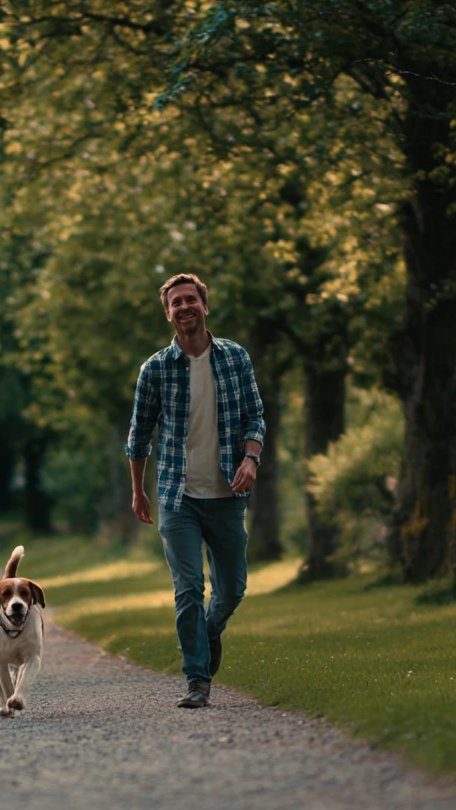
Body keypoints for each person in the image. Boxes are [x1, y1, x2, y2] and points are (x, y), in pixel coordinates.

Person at [126, 273, 264, 708]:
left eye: (190, 300)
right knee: (188, 588)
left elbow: (255, 417)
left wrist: (251, 459)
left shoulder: (235, 358)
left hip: (226, 493)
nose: (183, 308)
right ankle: (197, 680)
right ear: (168, 314)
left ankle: (206, 635)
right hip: (177, 496)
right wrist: (138, 491)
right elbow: (139, 434)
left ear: (205, 305)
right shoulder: (156, 369)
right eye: (175, 303)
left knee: (233, 589)